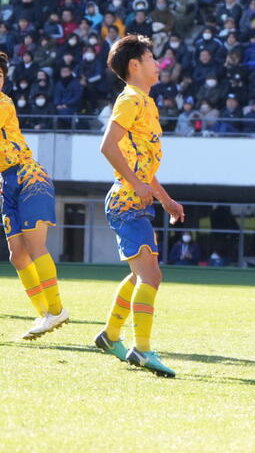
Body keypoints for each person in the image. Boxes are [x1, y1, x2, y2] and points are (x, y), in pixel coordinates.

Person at [94, 34, 184, 378]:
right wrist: (136, 184)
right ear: (136, 65)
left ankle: (110, 336)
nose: (158, 64)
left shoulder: (146, 102)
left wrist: (166, 199)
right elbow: (107, 146)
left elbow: (145, 168)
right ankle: (142, 349)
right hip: (126, 202)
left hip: (134, 202)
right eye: (152, 58)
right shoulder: (131, 99)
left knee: (139, 275)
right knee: (152, 276)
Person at [0, 52, 68, 340]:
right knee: (17, 256)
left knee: (35, 245)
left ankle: (55, 310)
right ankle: (46, 315)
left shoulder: (4, 102)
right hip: (6, 180)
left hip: (29, 176)